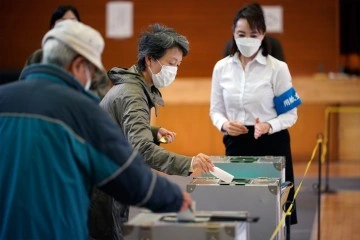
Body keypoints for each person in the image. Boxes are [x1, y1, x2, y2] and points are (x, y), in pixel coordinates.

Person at [0, 20, 193, 239]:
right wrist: (173, 197)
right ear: (78, 65)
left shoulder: (3, 98)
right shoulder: (81, 110)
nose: (91, 79)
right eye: (92, 71)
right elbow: (126, 172)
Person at [90, 23, 214, 240]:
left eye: (178, 65)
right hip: (102, 186)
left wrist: (152, 131)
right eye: (171, 63)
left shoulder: (133, 85)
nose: (174, 70)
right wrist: (189, 162)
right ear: (149, 59)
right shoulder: (133, 93)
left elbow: (119, 126)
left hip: (104, 177)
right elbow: (142, 149)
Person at [209, 3, 302, 239]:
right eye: (241, 34)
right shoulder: (221, 68)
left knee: (276, 212)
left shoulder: (277, 68)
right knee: (239, 209)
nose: (247, 40)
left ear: (262, 35)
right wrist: (224, 124)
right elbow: (215, 111)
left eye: (254, 34)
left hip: (273, 143)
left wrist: (268, 125)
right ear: (233, 33)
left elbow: (291, 115)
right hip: (236, 143)